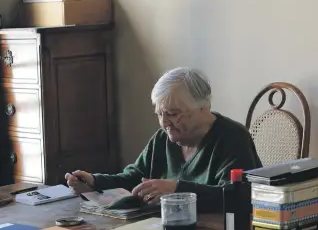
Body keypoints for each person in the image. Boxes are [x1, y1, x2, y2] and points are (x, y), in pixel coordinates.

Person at [65, 67, 262, 212]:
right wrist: (94, 183)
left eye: (173, 113)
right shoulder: (163, 138)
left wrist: (177, 190)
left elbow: (236, 198)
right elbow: (135, 177)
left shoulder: (233, 138)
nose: (165, 122)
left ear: (203, 108)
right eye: (159, 114)